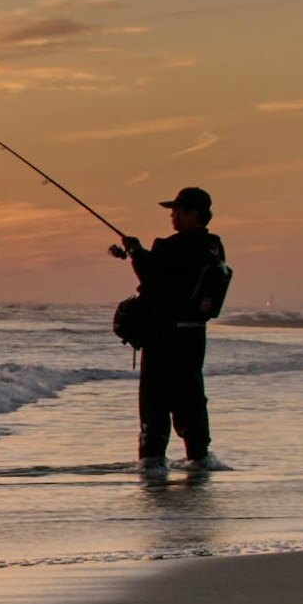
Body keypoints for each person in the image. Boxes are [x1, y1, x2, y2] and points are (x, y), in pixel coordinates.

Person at [110, 186, 231, 470]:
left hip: (164, 336)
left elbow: (154, 277)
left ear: (192, 213)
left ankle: (151, 465)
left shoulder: (171, 246)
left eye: (176, 211)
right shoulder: (214, 247)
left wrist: (136, 251)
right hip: (193, 335)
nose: (172, 216)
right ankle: (199, 458)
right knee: (190, 396)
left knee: (155, 401)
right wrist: (139, 252)